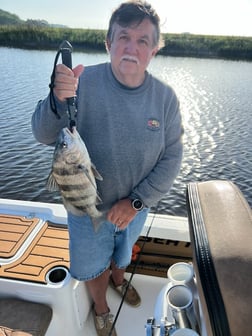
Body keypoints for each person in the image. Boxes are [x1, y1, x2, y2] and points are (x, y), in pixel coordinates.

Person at [31, 1, 183, 335]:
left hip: (135, 206)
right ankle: (101, 309)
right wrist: (57, 99)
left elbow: (172, 159)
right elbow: (43, 134)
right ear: (108, 43)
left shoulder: (166, 98)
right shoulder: (80, 83)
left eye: (143, 40)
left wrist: (136, 202)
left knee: (123, 255)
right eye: (123, 37)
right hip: (84, 208)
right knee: (91, 267)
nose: (132, 47)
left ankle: (119, 280)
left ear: (154, 50)